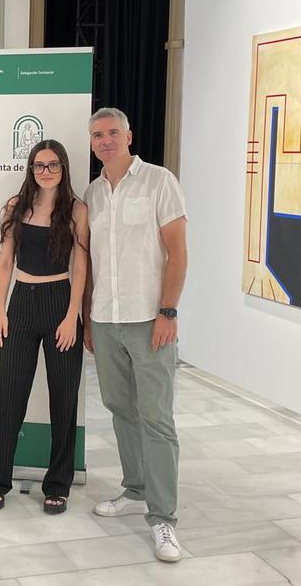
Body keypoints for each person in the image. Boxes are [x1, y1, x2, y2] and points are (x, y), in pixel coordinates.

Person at [81, 107, 188, 563]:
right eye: (97, 135)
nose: (105, 140)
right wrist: (88, 317)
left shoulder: (160, 181)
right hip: (106, 319)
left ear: (129, 136)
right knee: (120, 407)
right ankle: (136, 489)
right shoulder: (92, 193)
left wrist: (168, 311)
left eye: (112, 133)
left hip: (149, 319)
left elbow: (178, 251)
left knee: (156, 417)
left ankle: (163, 518)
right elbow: (89, 262)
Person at [0, 140, 89, 515]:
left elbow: (81, 266)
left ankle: (58, 485)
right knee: (9, 395)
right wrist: (0, 312)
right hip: (21, 305)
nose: (46, 171)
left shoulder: (76, 210)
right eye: (39, 165)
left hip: (60, 304)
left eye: (53, 165)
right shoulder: (16, 206)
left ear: (63, 168)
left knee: (64, 399)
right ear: (30, 169)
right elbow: (5, 263)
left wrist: (72, 316)